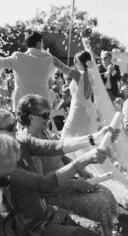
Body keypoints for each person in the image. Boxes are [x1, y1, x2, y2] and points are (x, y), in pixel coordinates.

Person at [0, 108, 116, 236]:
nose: (15, 130)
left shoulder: (19, 142)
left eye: (14, 125)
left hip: (44, 214)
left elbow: (57, 146)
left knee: (91, 235)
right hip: (27, 228)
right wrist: (83, 161)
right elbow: (43, 184)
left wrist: (94, 138)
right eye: (9, 128)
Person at [16, 93, 118, 236]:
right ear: (31, 117)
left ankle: (107, 232)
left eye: (49, 113)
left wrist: (82, 170)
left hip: (67, 181)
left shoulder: (44, 131)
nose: (48, 118)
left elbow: (59, 153)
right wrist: (76, 183)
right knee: (99, 202)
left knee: (105, 192)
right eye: (45, 115)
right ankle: (101, 234)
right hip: (55, 192)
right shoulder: (27, 143)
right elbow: (44, 186)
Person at [53, 38, 128, 209]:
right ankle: (76, 169)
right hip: (84, 114)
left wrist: (45, 53)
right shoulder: (90, 77)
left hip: (77, 114)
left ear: (80, 62)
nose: (72, 62)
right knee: (83, 143)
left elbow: (60, 65)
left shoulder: (79, 75)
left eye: (75, 60)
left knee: (68, 141)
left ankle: (69, 171)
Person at [0, 31, 56, 111]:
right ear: (39, 43)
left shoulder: (18, 58)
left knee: (21, 125)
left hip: (23, 104)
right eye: (42, 42)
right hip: (42, 104)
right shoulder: (49, 59)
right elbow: (50, 78)